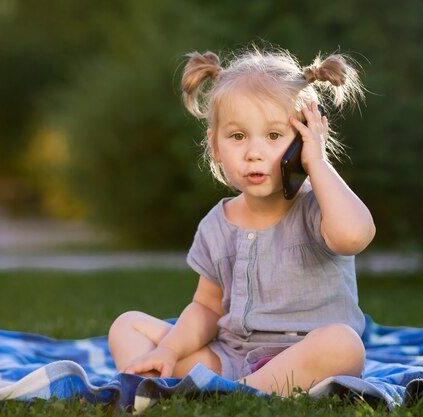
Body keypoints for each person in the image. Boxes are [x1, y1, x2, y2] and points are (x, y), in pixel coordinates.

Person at [108, 45, 375, 396]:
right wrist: (169, 350)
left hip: (307, 356)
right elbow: (205, 307)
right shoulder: (216, 225)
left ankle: (220, 394)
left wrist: (318, 163)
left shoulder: (319, 207)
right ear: (215, 147)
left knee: (344, 343)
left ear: (305, 140)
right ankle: (217, 386)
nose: (253, 152)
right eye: (237, 136)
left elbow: (354, 236)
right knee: (127, 327)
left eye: (275, 136)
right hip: (231, 358)